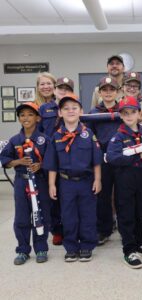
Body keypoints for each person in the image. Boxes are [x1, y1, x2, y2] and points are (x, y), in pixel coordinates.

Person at [106, 96, 142, 269]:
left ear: (139, 113)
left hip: (141, 177)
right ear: (121, 115)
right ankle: (129, 250)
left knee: (141, 211)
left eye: (133, 112)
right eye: (125, 113)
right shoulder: (118, 136)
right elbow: (112, 158)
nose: (129, 115)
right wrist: (137, 156)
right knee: (126, 214)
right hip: (125, 179)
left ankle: (140, 243)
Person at [43, 93, 102, 262]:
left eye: (74, 108)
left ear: (81, 111)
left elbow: (96, 160)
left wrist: (98, 180)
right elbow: (52, 163)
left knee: (88, 214)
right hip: (65, 183)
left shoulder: (88, 134)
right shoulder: (56, 136)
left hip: (86, 182)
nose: (70, 111)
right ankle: (70, 247)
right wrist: (51, 184)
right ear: (60, 113)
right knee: (68, 216)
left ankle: (86, 246)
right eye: (66, 108)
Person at [0, 102, 51, 265]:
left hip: (40, 182)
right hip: (22, 183)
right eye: (22, 115)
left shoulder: (44, 139)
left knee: (41, 214)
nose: (26, 118)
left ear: (37, 118)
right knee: (22, 216)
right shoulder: (14, 140)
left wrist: (41, 165)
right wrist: (18, 161)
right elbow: (4, 159)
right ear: (19, 119)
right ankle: (23, 249)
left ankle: (41, 247)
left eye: (30, 114)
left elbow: (53, 160)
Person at [39, 76, 75, 246]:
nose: (63, 91)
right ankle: (57, 231)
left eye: (67, 88)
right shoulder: (44, 109)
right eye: (60, 87)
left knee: (70, 196)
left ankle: (72, 229)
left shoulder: (75, 109)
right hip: (50, 158)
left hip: (70, 159)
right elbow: (36, 133)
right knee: (52, 197)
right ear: (55, 89)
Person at [87, 76, 122, 246]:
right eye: (105, 90)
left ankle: (125, 229)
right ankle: (104, 229)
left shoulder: (124, 110)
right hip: (102, 159)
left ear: (117, 92)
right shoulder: (93, 112)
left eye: (112, 89)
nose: (108, 93)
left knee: (123, 196)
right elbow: (90, 136)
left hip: (122, 158)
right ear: (99, 92)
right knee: (103, 196)